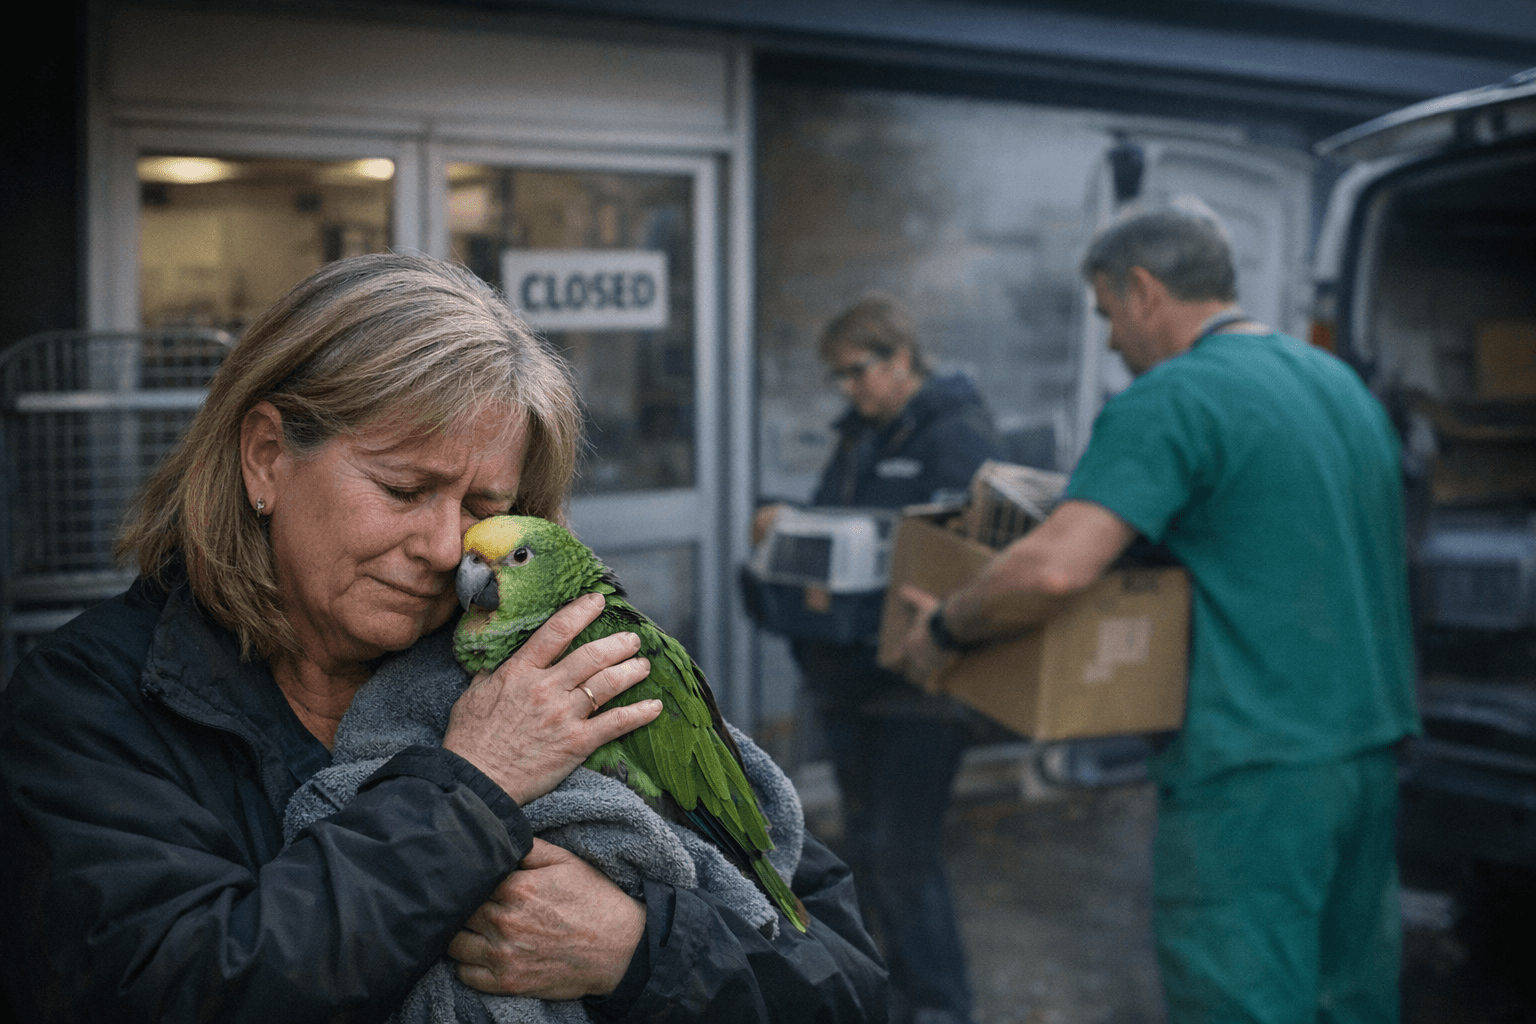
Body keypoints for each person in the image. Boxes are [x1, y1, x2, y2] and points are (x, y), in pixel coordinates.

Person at [0, 253, 888, 1023]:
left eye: (484, 508)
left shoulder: (557, 660)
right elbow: (174, 992)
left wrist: (640, 949)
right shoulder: (87, 704)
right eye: (400, 489)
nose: (442, 548)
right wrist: (472, 789)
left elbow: (843, 982)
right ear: (266, 457)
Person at [895, 205, 1420, 1024]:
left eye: (1106, 315)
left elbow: (1057, 569)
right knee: (1350, 996)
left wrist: (945, 628)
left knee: (1244, 1000)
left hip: (1250, 767)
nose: (1109, 343)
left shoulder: (1176, 396)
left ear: (1143, 291)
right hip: (1365, 751)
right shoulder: (1336, 382)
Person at [756, 294, 1001, 1024]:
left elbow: (960, 553)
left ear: (901, 357)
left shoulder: (956, 432)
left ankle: (941, 1006)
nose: (848, 389)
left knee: (905, 853)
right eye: (838, 377)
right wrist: (785, 519)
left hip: (922, 686)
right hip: (850, 677)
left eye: (857, 371)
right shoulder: (861, 434)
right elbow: (836, 525)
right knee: (865, 849)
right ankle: (889, 996)